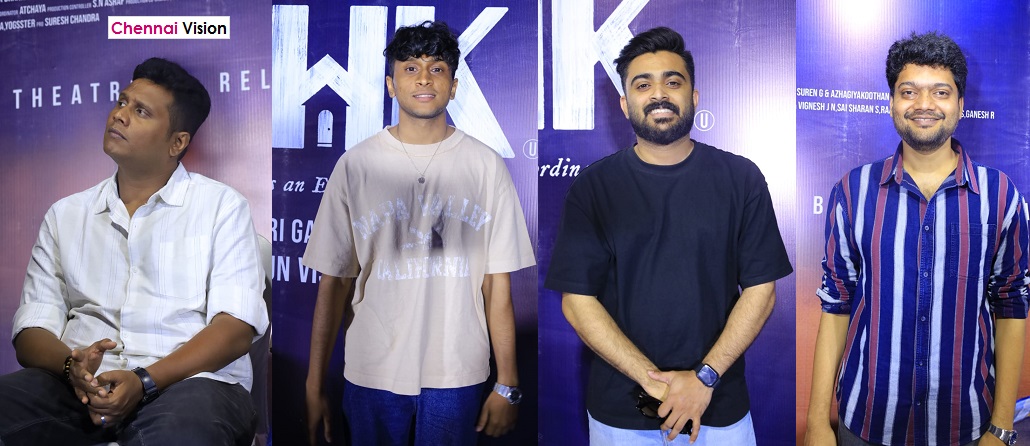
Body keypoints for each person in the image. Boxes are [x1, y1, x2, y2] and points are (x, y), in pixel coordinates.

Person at [0, 58, 268, 446]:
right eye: (122, 102)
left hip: (191, 386)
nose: (119, 115)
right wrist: (72, 367)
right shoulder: (66, 214)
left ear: (177, 142)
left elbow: (235, 330)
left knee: (178, 436)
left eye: (140, 111)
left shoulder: (222, 207)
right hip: (80, 388)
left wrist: (144, 381)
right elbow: (31, 330)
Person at [544, 26, 792, 445]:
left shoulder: (740, 178)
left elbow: (761, 290)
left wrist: (704, 378)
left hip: (718, 407)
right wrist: (655, 382)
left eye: (672, 82)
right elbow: (577, 300)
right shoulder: (594, 187)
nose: (659, 94)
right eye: (643, 85)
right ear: (625, 104)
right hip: (621, 415)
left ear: (694, 97)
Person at [302, 21, 535, 446]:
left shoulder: (485, 165)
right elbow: (333, 282)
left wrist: (508, 383)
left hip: (457, 372)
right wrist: (314, 384)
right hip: (372, 369)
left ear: (454, 86)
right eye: (410, 68)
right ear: (391, 85)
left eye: (437, 68)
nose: (424, 78)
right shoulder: (356, 165)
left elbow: (496, 285)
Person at [805, 31, 1027, 446]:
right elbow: (836, 304)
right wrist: (818, 421)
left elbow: (1011, 307)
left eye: (940, 92)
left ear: (961, 104)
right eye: (909, 91)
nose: (924, 104)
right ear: (892, 102)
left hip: (967, 425)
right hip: (866, 423)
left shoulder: (999, 195)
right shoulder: (853, 191)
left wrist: (1001, 426)